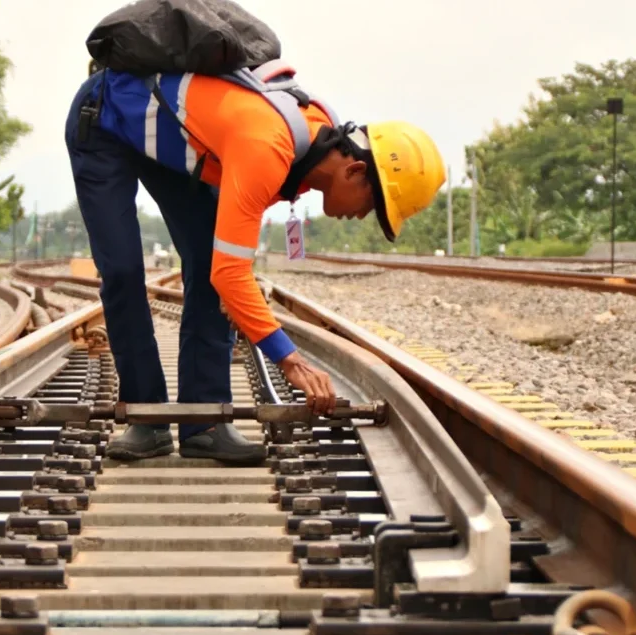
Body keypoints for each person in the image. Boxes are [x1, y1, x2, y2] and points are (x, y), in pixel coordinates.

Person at [64, 60, 445, 466]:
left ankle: (205, 422)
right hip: (104, 119)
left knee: (210, 257)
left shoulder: (316, 134)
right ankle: (145, 418)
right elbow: (232, 274)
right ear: (353, 170)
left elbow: (226, 264)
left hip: (174, 135)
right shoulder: (269, 147)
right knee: (123, 272)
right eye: (374, 206)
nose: (365, 216)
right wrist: (290, 359)